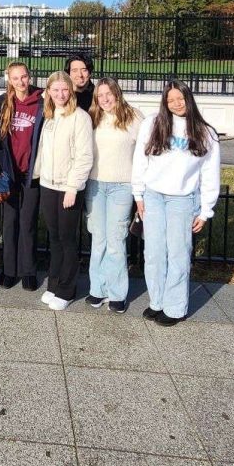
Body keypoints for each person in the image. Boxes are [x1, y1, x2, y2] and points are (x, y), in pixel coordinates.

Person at [132, 79, 220, 326]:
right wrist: (138, 195)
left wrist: (205, 211)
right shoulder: (153, 123)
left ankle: (175, 307)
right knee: (154, 253)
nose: (175, 104)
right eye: (170, 99)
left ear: (188, 98)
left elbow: (210, 174)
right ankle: (157, 301)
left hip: (182, 200)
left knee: (178, 254)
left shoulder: (205, 132)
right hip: (153, 196)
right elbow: (141, 160)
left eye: (179, 98)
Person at [34, 71, 93, 310]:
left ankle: (67, 290)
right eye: (55, 90)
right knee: (55, 238)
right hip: (48, 185)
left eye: (64, 90)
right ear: (48, 92)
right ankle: (54, 284)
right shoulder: (48, 116)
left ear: (71, 91)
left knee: (67, 239)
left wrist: (73, 188)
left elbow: (84, 156)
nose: (60, 94)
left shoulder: (80, 118)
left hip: (68, 188)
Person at [85, 78, 143, 312]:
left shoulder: (134, 117)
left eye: (109, 94)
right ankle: (97, 289)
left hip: (122, 185)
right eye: (100, 95)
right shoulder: (92, 118)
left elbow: (145, 152)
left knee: (116, 239)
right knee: (98, 238)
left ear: (117, 94)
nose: (105, 99)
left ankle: (117, 293)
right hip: (95, 184)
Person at [0, 62, 43, 291]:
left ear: (29, 77)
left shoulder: (42, 101)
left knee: (28, 222)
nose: (21, 82)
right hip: (9, 172)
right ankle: (9, 270)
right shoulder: (4, 102)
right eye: (16, 78)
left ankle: (29, 270)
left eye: (24, 77)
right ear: (9, 80)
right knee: (10, 222)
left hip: (31, 172)